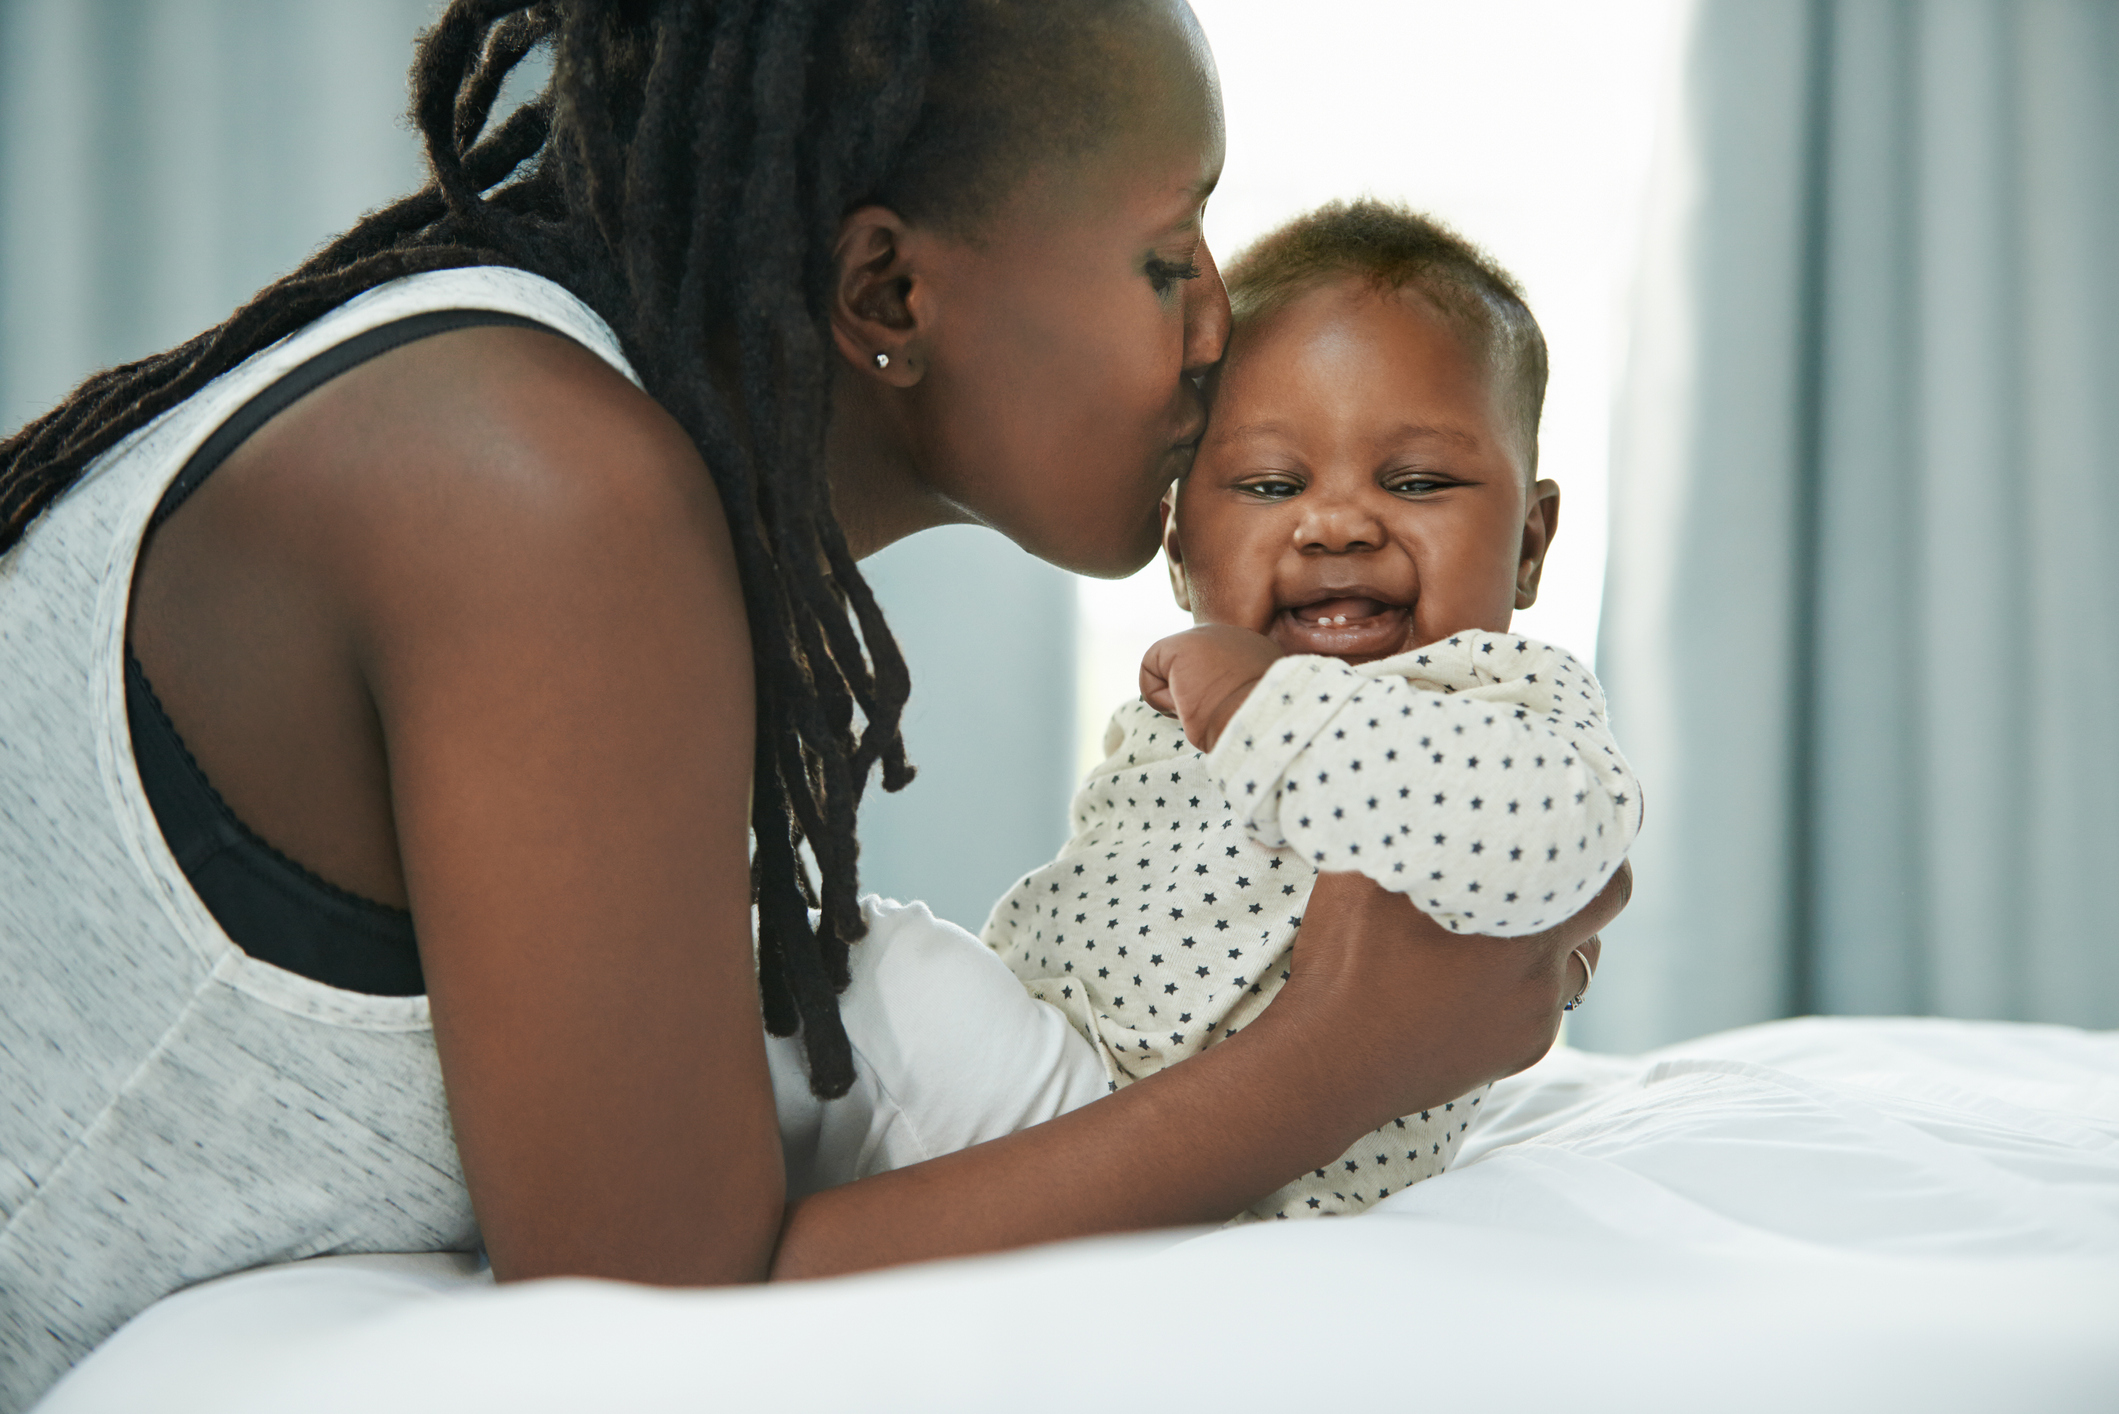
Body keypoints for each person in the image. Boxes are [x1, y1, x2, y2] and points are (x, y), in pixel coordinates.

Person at [0, 4, 1625, 1408]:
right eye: (1160, 254)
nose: (1216, 328)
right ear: (887, 297)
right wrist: (1332, 1059)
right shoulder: (541, 491)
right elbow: (654, 1320)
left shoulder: (582, 442)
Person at [984, 199, 1641, 1219]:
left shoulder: (1503, 701)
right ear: (1176, 550)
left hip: (1264, 1173)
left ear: (1528, 546)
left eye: (1417, 480)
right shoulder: (1185, 698)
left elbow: (1553, 836)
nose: (1334, 523)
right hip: (1028, 1075)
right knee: (844, 981)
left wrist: (1264, 707)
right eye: (1266, 484)